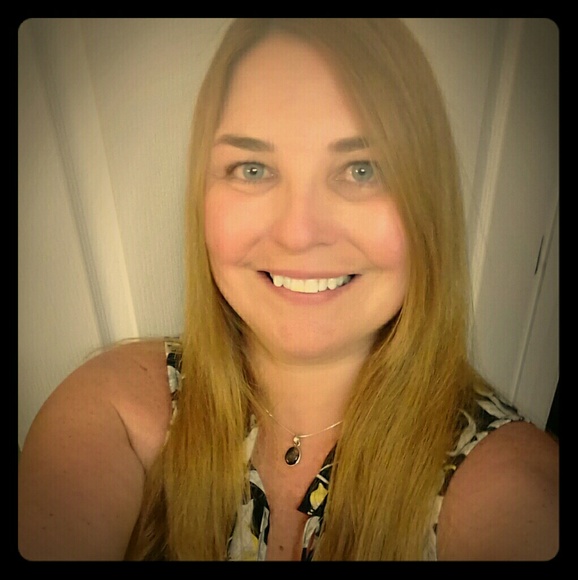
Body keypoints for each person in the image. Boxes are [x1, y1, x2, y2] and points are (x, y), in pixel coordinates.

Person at [18, 18, 559, 561]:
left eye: (362, 169)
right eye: (252, 169)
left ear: (427, 202)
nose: (299, 233)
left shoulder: (505, 486)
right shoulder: (114, 413)